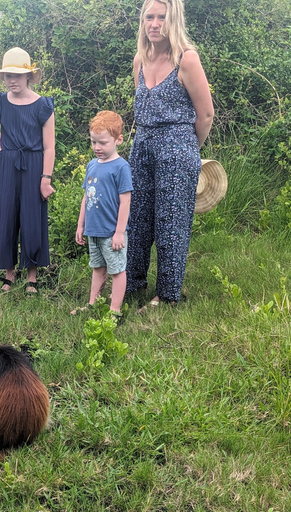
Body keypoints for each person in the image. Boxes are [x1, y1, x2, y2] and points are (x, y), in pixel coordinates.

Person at [126, 0, 214, 309]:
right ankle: (132, 282)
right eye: (149, 17)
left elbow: (205, 115)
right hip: (142, 146)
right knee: (135, 218)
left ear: (172, 20)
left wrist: (188, 150)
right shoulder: (139, 59)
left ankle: (166, 295)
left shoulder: (186, 60)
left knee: (171, 222)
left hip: (177, 146)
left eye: (161, 17)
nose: (154, 23)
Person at [0, 48, 55, 294]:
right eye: (8, 75)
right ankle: (9, 275)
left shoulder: (43, 105)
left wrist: (46, 178)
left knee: (32, 219)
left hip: (33, 164)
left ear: (29, 76)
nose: (12, 80)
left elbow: (50, 146)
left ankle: (32, 278)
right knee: (6, 217)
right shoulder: (0, 101)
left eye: (17, 75)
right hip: (7, 165)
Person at [72, 111, 132, 317]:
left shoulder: (121, 167)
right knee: (97, 268)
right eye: (93, 142)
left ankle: (115, 311)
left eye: (103, 143)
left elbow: (125, 202)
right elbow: (86, 198)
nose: (97, 147)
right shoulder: (91, 165)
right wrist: (81, 226)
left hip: (111, 232)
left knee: (117, 270)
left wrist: (119, 232)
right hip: (93, 230)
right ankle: (93, 305)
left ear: (118, 140)